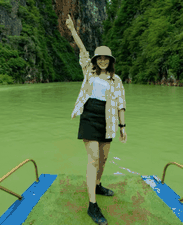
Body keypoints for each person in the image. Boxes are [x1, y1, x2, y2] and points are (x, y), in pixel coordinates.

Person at [67, 14, 127, 225]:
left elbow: (120, 103)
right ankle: (92, 206)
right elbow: (82, 50)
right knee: (93, 160)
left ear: (110, 61)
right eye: (99, 57)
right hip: (90, 115)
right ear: (95, 60)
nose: (102, 60)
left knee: (103, 158)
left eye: (106, 58)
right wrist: (73, 30)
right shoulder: (89, 72)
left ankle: (98, 185)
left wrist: (123, 126)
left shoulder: (116, 80)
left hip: (108, 118)